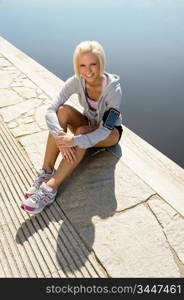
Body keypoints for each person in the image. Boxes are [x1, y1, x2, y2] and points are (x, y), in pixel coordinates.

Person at [21, 40, 123, 214]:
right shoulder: (76, 81)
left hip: (110, 133)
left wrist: (76, 140)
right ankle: (46, 171)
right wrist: (60, 137)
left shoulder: (114, 90)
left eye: (93, 64)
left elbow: (105, 129)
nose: (88, 70)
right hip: (89, 124)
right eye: (82, 65)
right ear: (77, 66)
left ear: (101, 64)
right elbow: (50, 109)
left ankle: (51, 188)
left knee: (82, 131)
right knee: (62, 111)